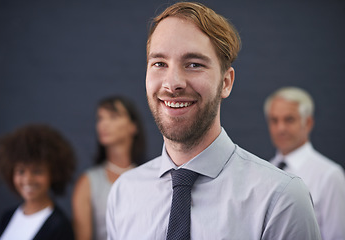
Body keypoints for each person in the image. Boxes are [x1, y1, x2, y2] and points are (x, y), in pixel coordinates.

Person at [106, 2, 321, 239]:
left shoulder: (281, 198)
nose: (172, 83)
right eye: (159, 64)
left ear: (226, 82)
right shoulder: (124, 194)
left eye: (194, 64)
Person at [264, 86, 345, 240]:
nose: (280, 128)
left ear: (307, 123)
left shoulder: (329, 175)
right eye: (274, 120)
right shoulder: (265, 170)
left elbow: (337, 236)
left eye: (289, 119)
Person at [72, 96, 146, 240]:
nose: (103, 124)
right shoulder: (87, 182)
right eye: (100, 118)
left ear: (133, 126)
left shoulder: (151, 178)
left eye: (113, 117)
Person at [0, 124, 76, 240]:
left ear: (53, 174)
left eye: (37, 171)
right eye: (21, 171)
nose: (28, 179)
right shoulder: (7, 217)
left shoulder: (60, 226)